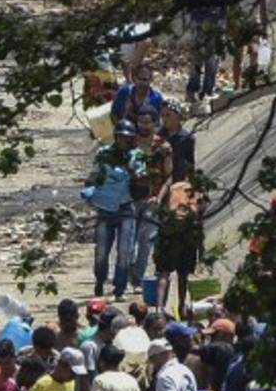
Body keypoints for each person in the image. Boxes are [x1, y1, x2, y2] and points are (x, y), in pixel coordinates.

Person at [86, 119, 146, 299]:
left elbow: (142, 180)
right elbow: (93, 176)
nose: (124, 141)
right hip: (104, 208)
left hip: (125, 207)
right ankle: (100, 280)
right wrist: (90, 191)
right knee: (102, 251)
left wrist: (131, 168)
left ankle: (119, 288)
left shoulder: (136, 156)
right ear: (116, 137)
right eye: (121, 137)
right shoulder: (104, 153)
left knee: (124, 251)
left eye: (127, 138)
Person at [186, 0, 237, 104]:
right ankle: (192, 90)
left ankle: (207, 90)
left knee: (213, 58)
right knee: (197, 56)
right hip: (199, 18)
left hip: (218, 20)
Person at [154, 177, 207, 317]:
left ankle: (159, 308)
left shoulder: (170, 186)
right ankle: (182, 305)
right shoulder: (198, 190)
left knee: (163, 273)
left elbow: (160, 209)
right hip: (188, 235)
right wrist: (201, 248)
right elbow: (200, 218)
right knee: (183, 275)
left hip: (169, 233)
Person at [132, 109, 173, 289]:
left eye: (147, 122)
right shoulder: (130, 143)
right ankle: (129, 274)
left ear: (155, 123)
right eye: (140, 122)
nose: (143, 126)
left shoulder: (163, 147)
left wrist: (159, 197)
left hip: (152, 199)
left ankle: (138, 279)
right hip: (130, 198)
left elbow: (169, 176)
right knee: (127, 243)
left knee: (144, 240)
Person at [159, 99, 196, 184]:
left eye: (168, 115)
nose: (164, 119)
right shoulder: (158, 137)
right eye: (162, 115)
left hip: (178, 182)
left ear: (177, 116)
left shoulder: (187, 138)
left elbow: (190, 164)